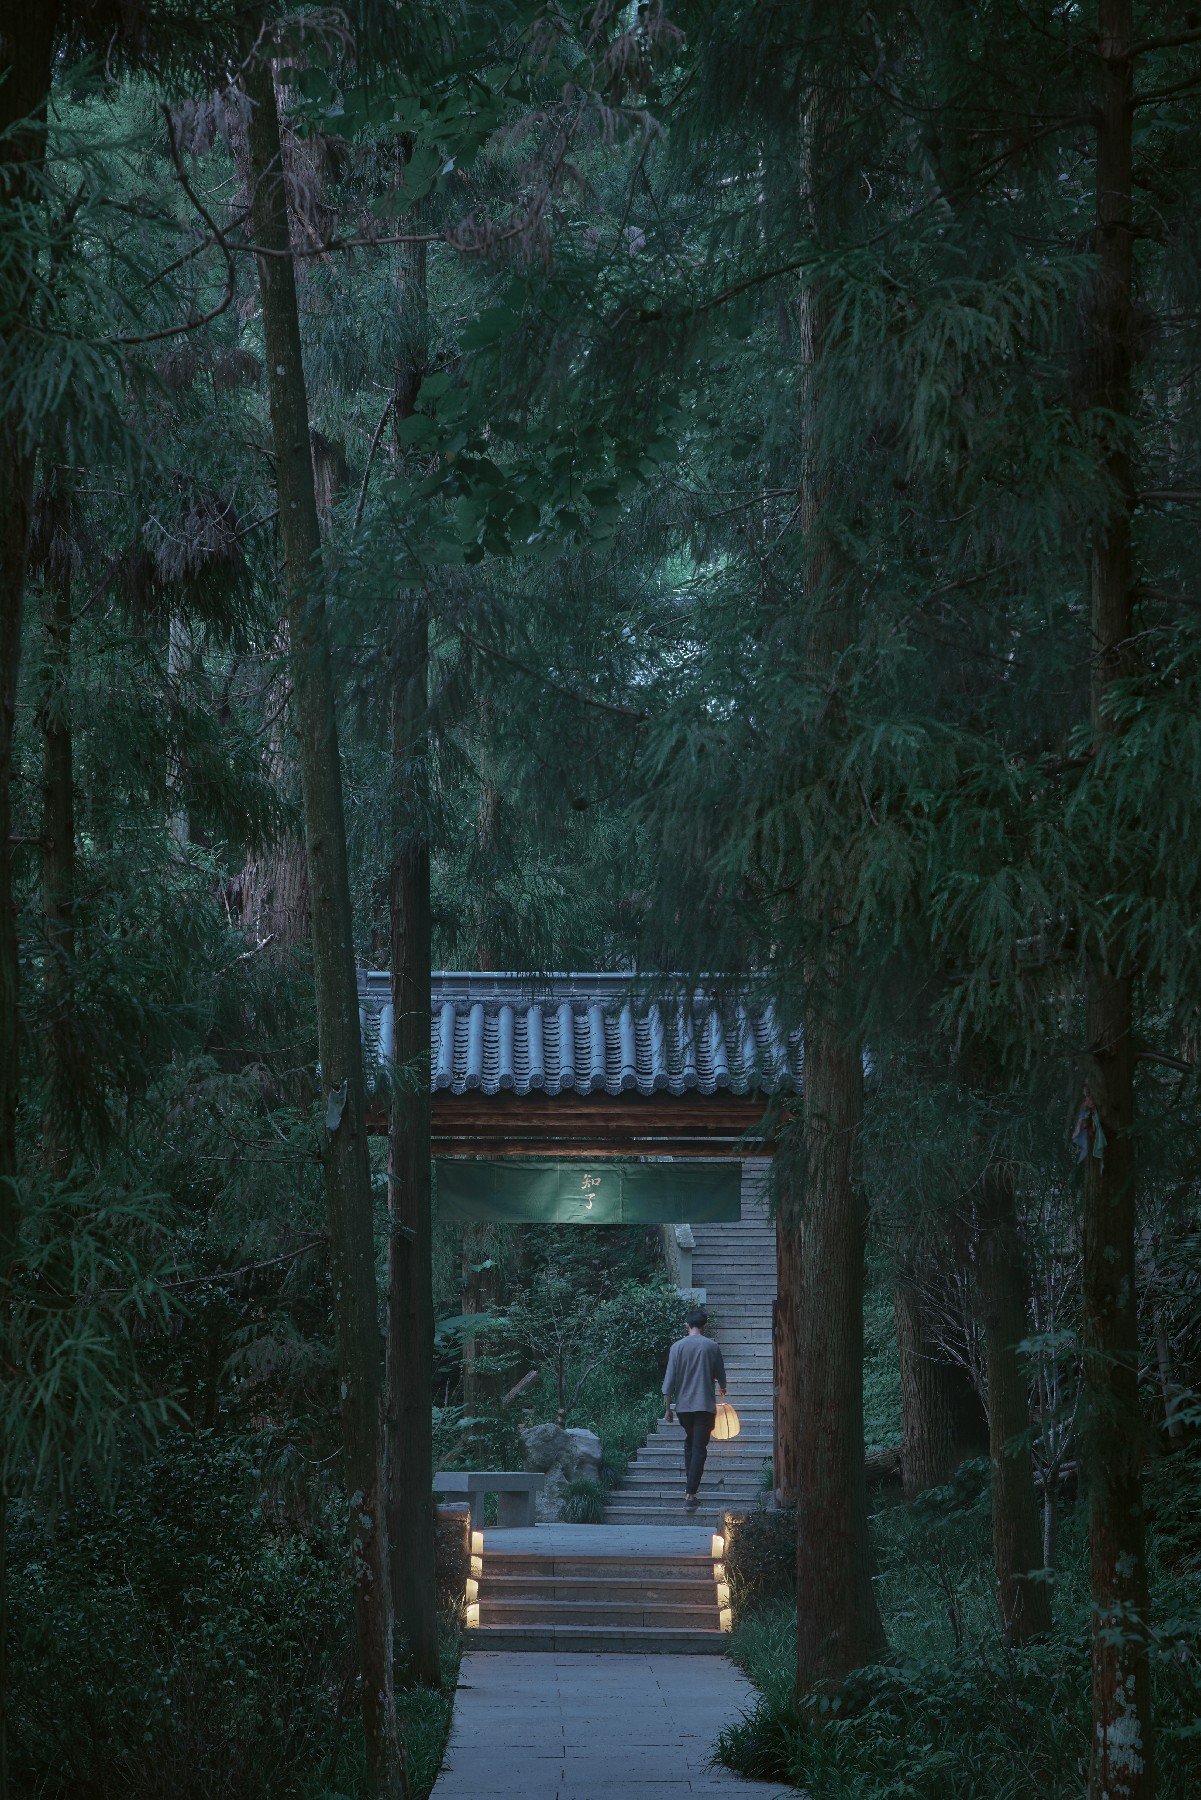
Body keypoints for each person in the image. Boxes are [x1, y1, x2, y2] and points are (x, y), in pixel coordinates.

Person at [662, 1307, 727, 1509]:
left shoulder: (677, 1347)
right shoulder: (711, 1346)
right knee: (699, 1448)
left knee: (691, 1443)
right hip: (704, 1407)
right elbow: (720, 1373)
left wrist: (667, 1409)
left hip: (683, 1408)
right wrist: (723, 1387)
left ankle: (690, 1489)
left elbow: (669, 1380)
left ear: (687, 1325)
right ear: (705, 1325)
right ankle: (690, 1495)